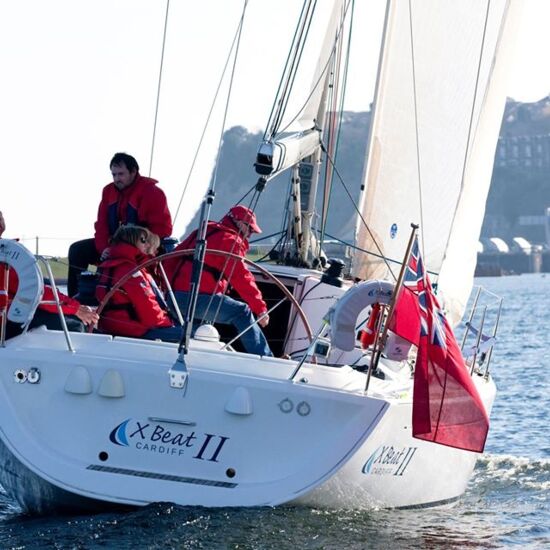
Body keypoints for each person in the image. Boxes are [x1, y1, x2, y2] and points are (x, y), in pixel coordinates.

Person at [164, 205, 272, 356]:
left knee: (198, 330)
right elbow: (242, 278)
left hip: (174, 299)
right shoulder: (230, 241)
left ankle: (189, 356)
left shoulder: (202, 232)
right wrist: (260, 309)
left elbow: (171, 259)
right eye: (250, 229)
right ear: (239, 222)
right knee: (242, 312)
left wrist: (167, 293)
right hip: (196, 301)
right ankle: (266, 357)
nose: (250, 234)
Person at [67, 152, 173, 297]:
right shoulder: (108, 192)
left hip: (140, 251)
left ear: (133, 172)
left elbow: (162, 229)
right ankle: (76, 300)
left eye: (121, 174)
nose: (117, 179)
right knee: (77, 251)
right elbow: (101, 226)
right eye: (114, 174)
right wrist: (104, 248)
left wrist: (137, 246)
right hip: (112, 247)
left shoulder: (152, 193)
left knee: (121, 258)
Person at [0, 210, 98, 338]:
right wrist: (76, 309)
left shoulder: (8, 253)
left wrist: (74, 308)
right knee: (75, 326)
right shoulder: (6, 258)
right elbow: (34, 289)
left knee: (70, 317)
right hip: (9, 324)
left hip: (12, 316)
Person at [95, 225, 183, 342]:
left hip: (108, 327)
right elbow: (149, 312)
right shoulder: (131, 270)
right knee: (189, 335)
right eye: (143, 240)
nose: (147, 245)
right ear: (131, 241)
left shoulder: (107, 265)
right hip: (133, 330)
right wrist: (170, 322)